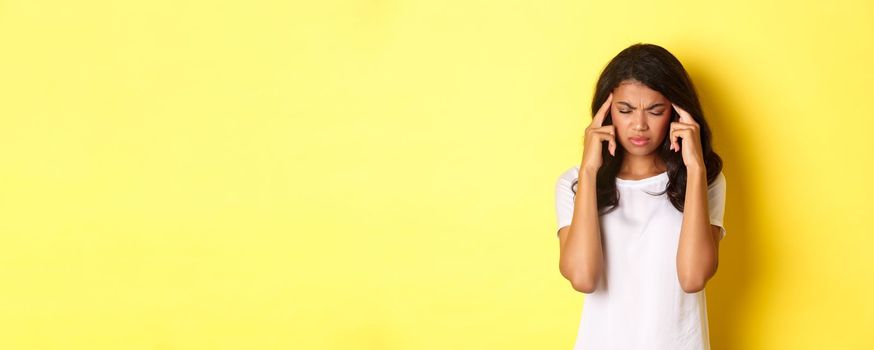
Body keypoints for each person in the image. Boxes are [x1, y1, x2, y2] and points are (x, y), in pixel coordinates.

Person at [554, 43, 727, 350]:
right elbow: (583, 277)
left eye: (656, 111)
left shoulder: (703, 180)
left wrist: (696, 168)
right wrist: (590, 170)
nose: (639, 125)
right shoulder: (576, 183)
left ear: (676, 113)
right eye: (625, 110)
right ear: (606, 114)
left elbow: (693, 278)